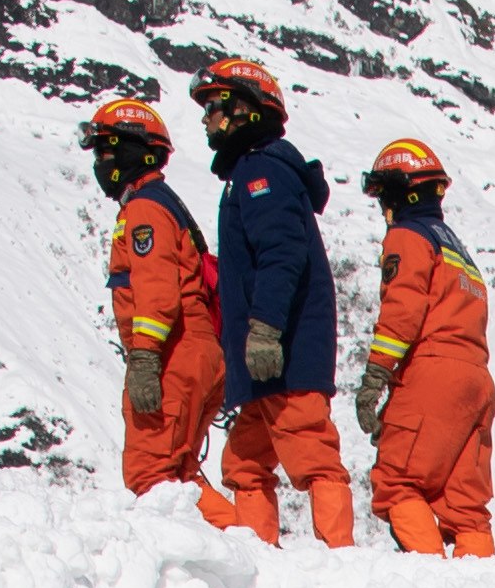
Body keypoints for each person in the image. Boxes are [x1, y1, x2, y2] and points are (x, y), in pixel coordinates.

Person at [198, 59, 351, 542]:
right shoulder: (250, 171)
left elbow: (281, 253)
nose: (207, 119)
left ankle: (343, 556)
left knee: (311, 452)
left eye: (214, 106)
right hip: (264, 359)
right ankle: (259, 560)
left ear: (244, 111)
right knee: (244, 462)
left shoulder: (262, 170)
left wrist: (264, 329)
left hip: (285, 352)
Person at [356, 138, 495, 558]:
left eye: (382, 195)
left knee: (397, 482)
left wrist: (375, 375)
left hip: (431, 373)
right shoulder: (457, 249)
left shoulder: (408, 236)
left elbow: (402, 309)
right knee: (466, 508)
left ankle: (429, 583)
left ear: (400, 191)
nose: (383, 208)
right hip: (477, 382)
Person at [81, 93, 223, 504]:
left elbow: (157, 289)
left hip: (172, 353)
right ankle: (240, 554)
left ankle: (250, 557)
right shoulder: (158, 204)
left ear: (132, 152)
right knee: (177, 480)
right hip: (192, 351)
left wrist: (144, 358)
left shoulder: (145, 210)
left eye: (106, 150)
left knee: (153, 477)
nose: (100, 163)